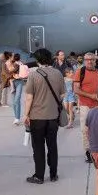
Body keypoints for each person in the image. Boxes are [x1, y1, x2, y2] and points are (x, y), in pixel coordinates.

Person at [23, 48, 65, 184]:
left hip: (37, 117)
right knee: (52, 146)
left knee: (38, 147)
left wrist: (26, 114)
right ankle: (53, 174)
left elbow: (29, 97)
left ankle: (39, 176)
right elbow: (62, 95)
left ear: (38, 60)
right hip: (53, 117)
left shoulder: (33, 75)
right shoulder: (58, 73)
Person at [73, 52, 98, 163]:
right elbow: (76, 89)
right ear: (84, 60)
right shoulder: (80, 72)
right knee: (85, 130)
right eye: (87, 59)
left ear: (95, 61)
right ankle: (88, 152)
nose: (89, 61)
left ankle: (97, 150)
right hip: (85, 105)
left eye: (91, 59)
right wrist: (91, 96)